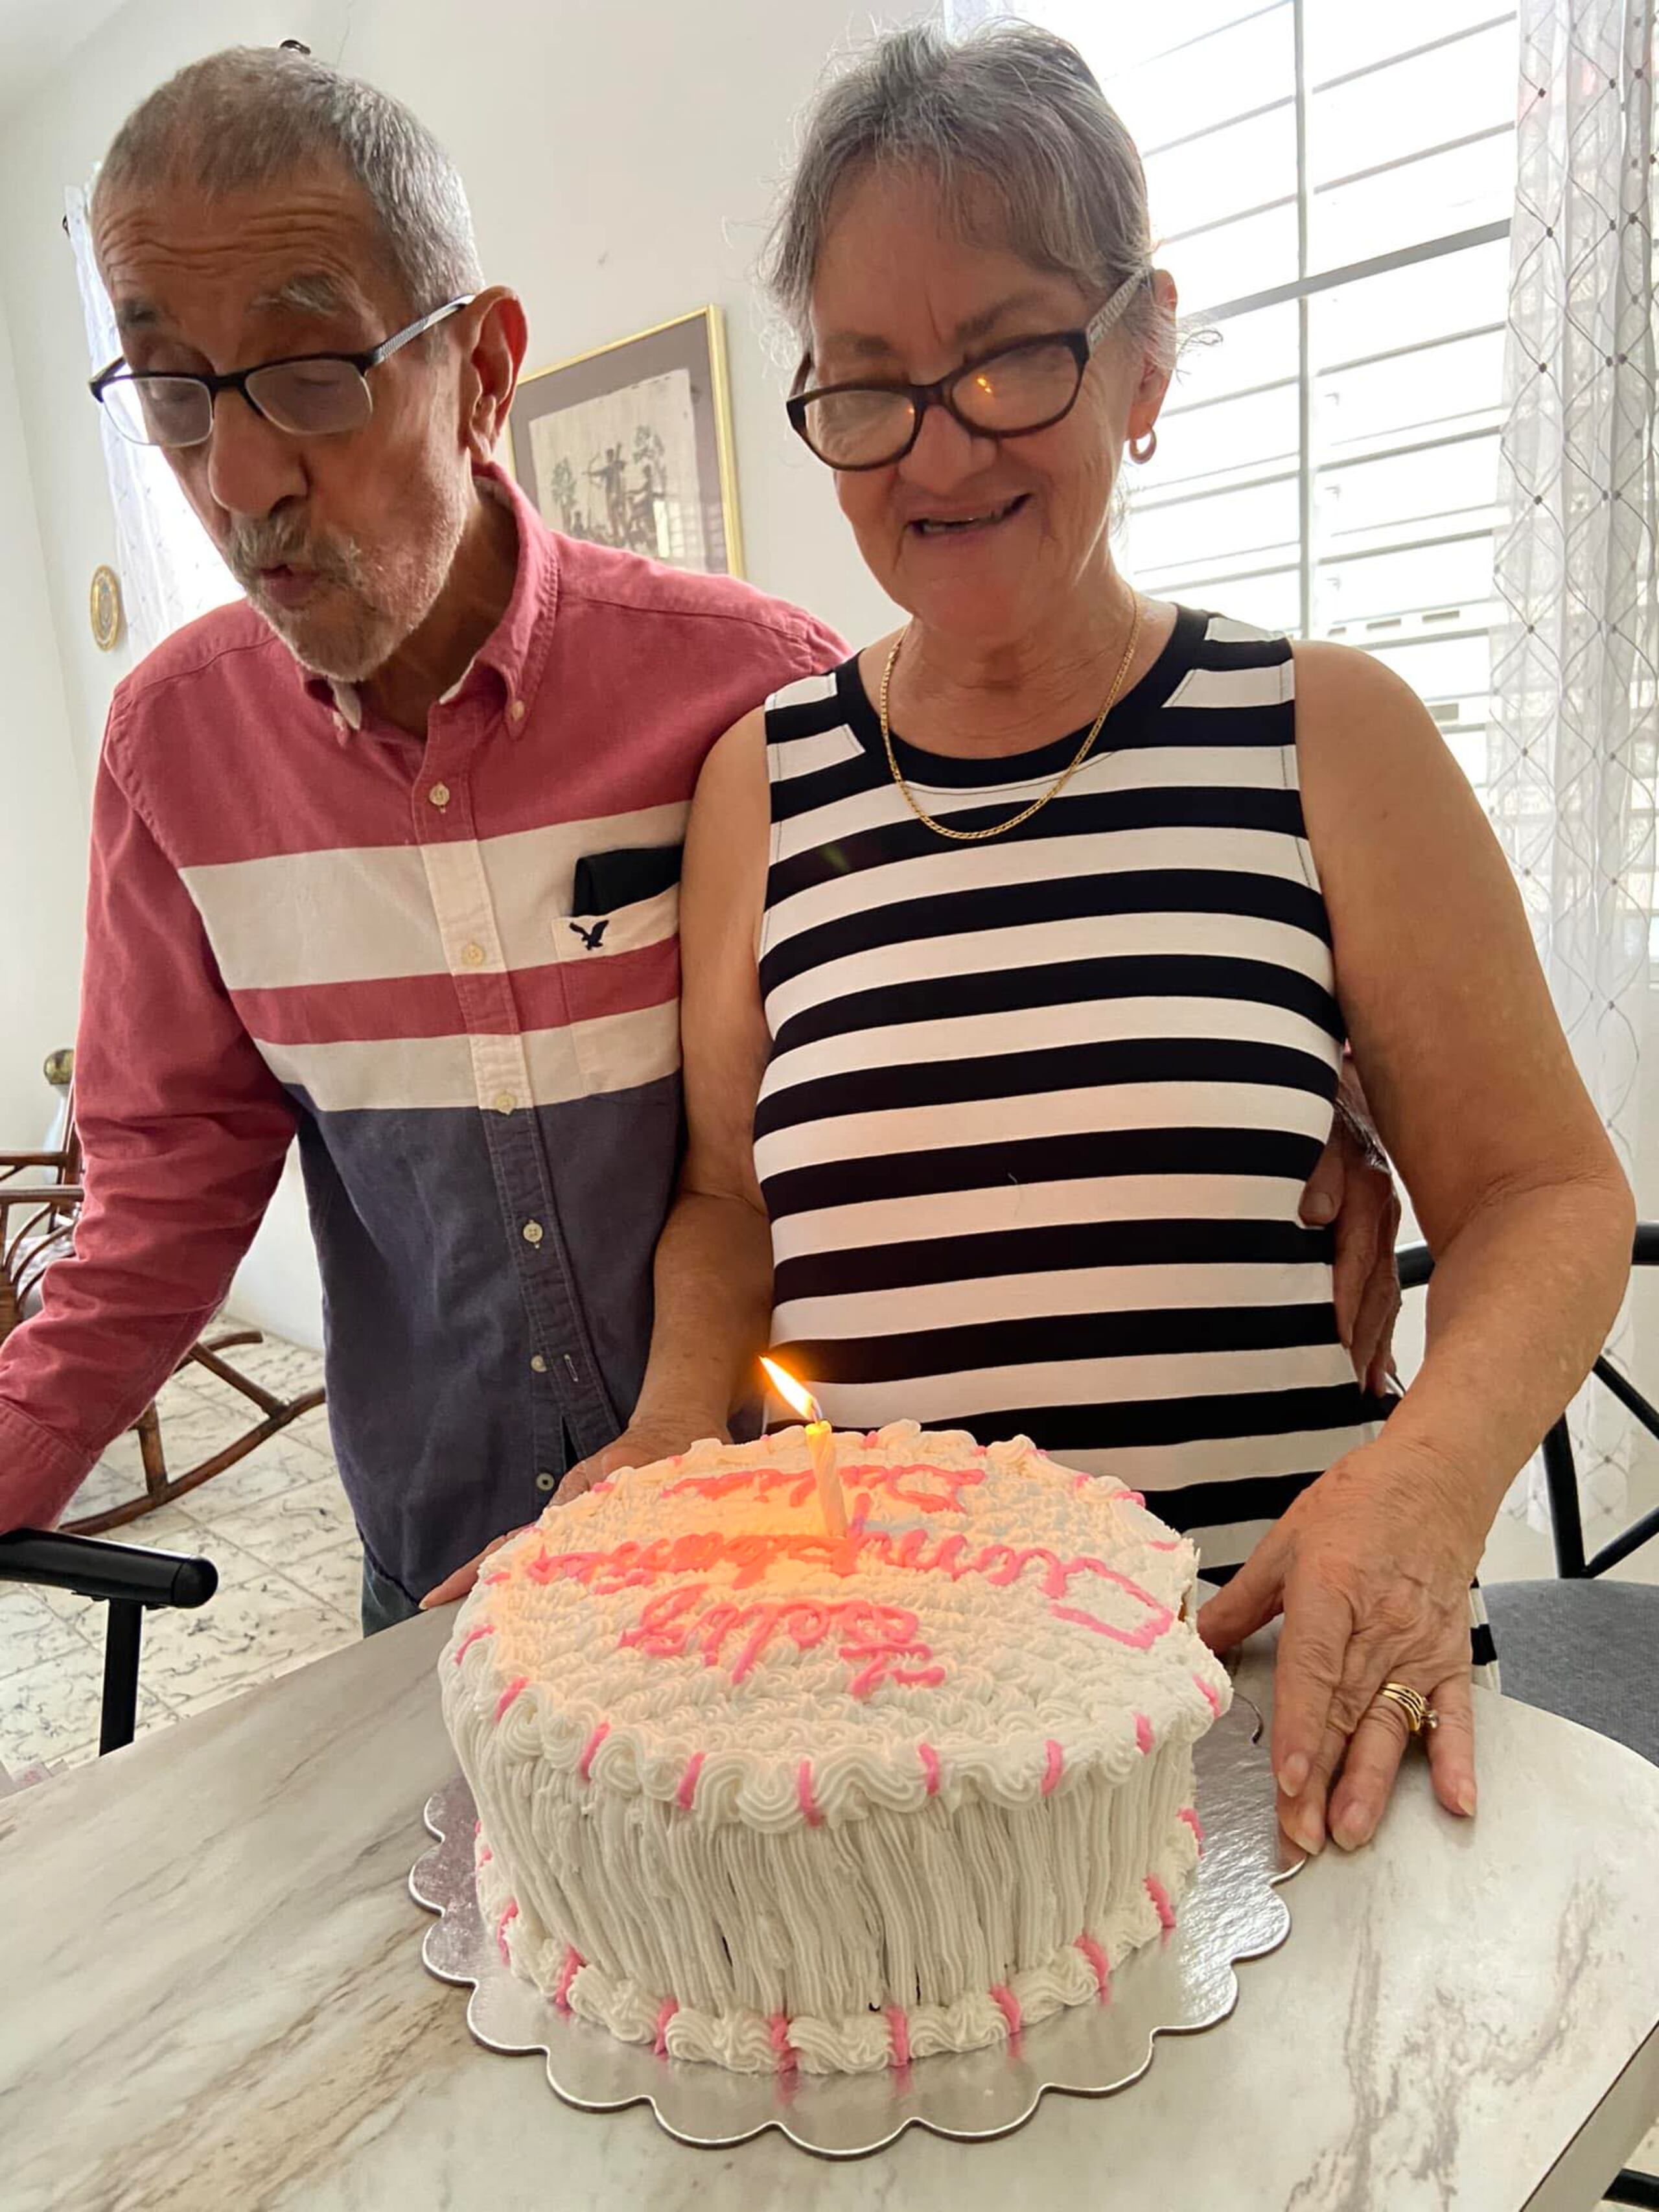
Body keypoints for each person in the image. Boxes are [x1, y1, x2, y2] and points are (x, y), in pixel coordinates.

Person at [0, 45, 1394, 1639]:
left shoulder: (751, 687)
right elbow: (159, 1201)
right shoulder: (170, 751)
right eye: (173, 394)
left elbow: (995, 938)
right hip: (447, 1571)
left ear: (481, 371)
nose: (240, 479)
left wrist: (1301, 1080)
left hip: (791, 1565)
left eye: (314, 376)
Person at [450, 23, 1633, 1859]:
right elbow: (726, 1198)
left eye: (1008, 356)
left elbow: (1546, 1195)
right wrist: (682, 1416)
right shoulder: (764, 783)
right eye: (867, 385)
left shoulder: (1328, 734)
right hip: (891, 1756)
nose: (941, 446)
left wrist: (1424, 1489)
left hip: (1285, 1704)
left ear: (1144, 352)